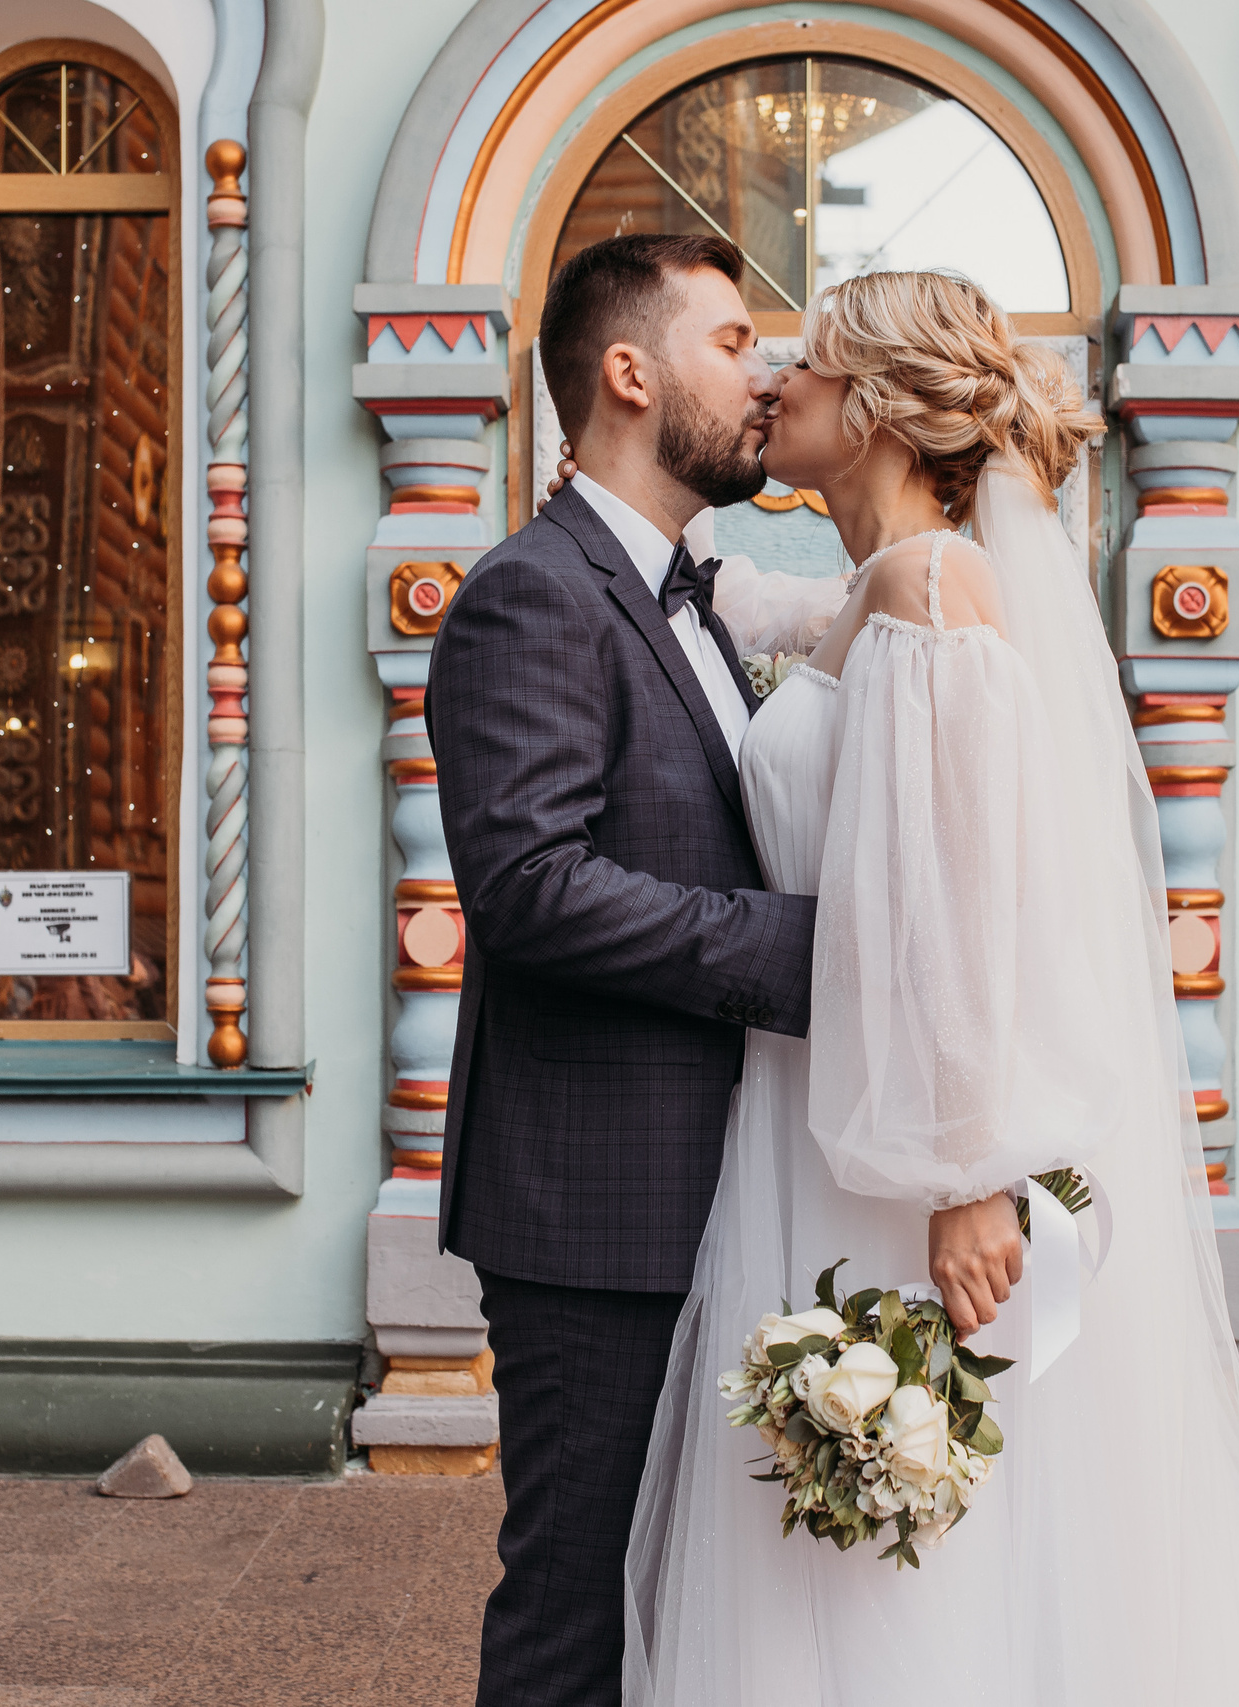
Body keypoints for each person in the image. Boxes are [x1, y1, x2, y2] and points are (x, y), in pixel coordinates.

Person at [620, 271, 1239, 1704]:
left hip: (905, 1147)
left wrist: (967, 1175)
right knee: (841, 1550)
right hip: (824, 1114)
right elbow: (754, 619)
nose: (779, 379)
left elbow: (964, 906)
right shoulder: (880, 590)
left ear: (879, 411)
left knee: (916, 1561)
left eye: (812, 363)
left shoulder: (933, 589)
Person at [426, 232, 845, 1707]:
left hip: (717, 1188)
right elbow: (529, 889)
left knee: (678, 1610)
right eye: (731, 342)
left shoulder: (687, 595)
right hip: (593, 1211)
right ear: (628, 372)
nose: (764, 373)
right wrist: (806, 952)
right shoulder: (532, 594)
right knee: (576, 1611)